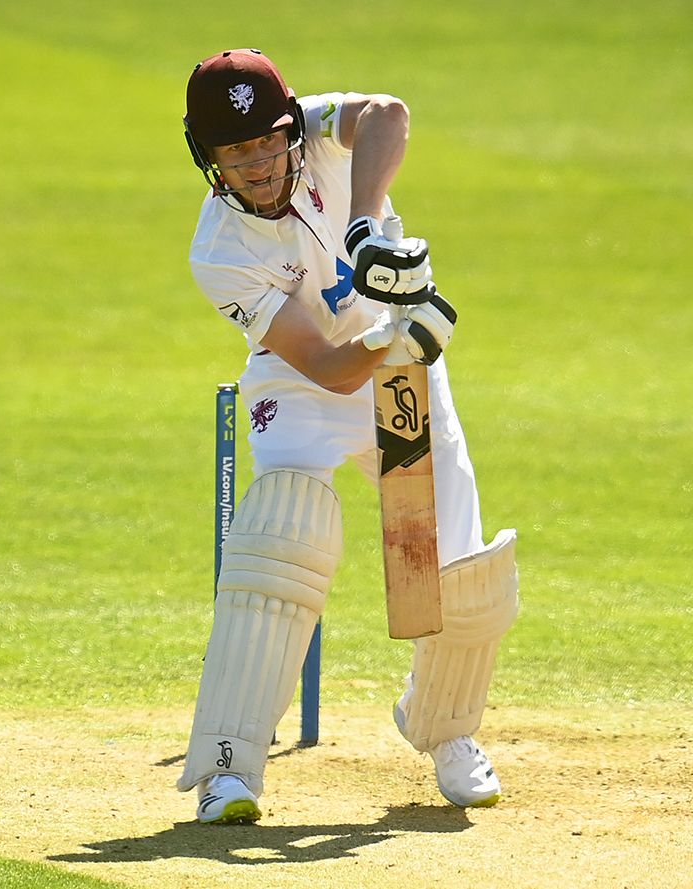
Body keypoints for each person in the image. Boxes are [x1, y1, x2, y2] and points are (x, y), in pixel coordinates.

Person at [178, 48, 519, 824]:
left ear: (290, 126)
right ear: (211, 160)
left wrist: (366, 221)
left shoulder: (322, 129)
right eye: (237, 152)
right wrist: (393, 333)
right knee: (283, 536)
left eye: (268, 140)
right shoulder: (220, 252)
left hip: (403, 372)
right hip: (308, 384)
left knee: (455, 559)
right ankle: (229, 766)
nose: (260, 164)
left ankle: (447, 730)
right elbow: (330, 369)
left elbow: (388, 113)